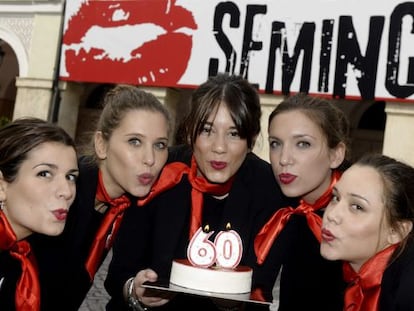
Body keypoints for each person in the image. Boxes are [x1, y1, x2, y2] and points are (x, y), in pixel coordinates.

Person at [104, 73, 289, 310]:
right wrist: (134, 291)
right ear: (191, 131)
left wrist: (234, 305)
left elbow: (260, 292)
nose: (219, 147)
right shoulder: (161, 171)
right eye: (207, 130)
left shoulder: (270, 191)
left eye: (233, 133)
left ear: (251, 139)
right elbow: (119, 274)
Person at [29, 84, 172, 310]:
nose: (150, 159)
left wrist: (133, 289)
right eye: (135, 141)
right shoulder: (66, 192)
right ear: (101, 144)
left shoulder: (130, 201)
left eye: (160, 145)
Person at [251, 93, 350, 310]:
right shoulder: (270, 204)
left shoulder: (358, 221)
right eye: (275, 144)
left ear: (336, 154)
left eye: (303, 144)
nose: (284, 159)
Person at [0, 117, 79, 311]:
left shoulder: (42, 257)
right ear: (2, 185)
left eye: (71, 177)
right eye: (45, 174)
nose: (67, 191)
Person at [320, 153, 414, 311]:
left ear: (396, 232)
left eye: (357, 207)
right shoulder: (339, 274)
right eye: (335, 197)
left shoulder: (407, 294)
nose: (332, 215)